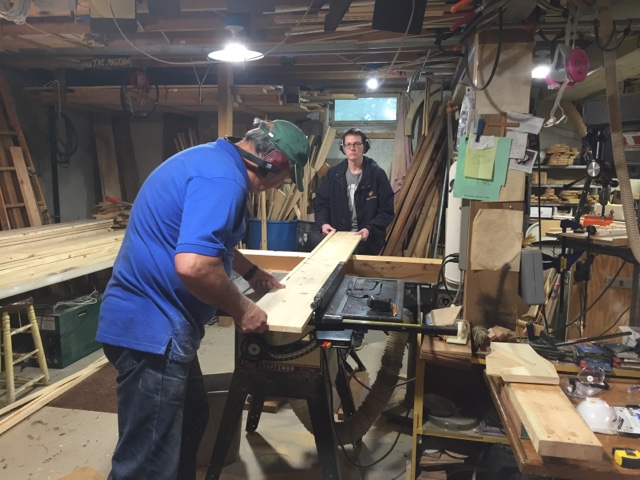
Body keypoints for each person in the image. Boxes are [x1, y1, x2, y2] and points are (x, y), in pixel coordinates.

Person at [96, 119, 310, 480]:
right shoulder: (224, 181)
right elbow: (194, 265)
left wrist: (251, 272)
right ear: (272, 163)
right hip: (151, 330)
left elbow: (209, 242)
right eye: (286, 179)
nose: (280, 187)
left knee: (193, 415)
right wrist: (243, 308)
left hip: (158, 324)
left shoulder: (213, 161)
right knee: (146, 463)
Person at [314, 127, 394, 349]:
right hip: (339, 239)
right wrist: (323, 223)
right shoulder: (334, 175)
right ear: (343, 148)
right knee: (336, 285)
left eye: (357, 144)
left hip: (367, 240)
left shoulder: (376, 175)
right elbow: (321, 204)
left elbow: (387, 210)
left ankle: (358, 330)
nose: (352, 148)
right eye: (348, 144)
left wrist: (370, 228)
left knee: (362, 288)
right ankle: (336, 328)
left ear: (364, 147)